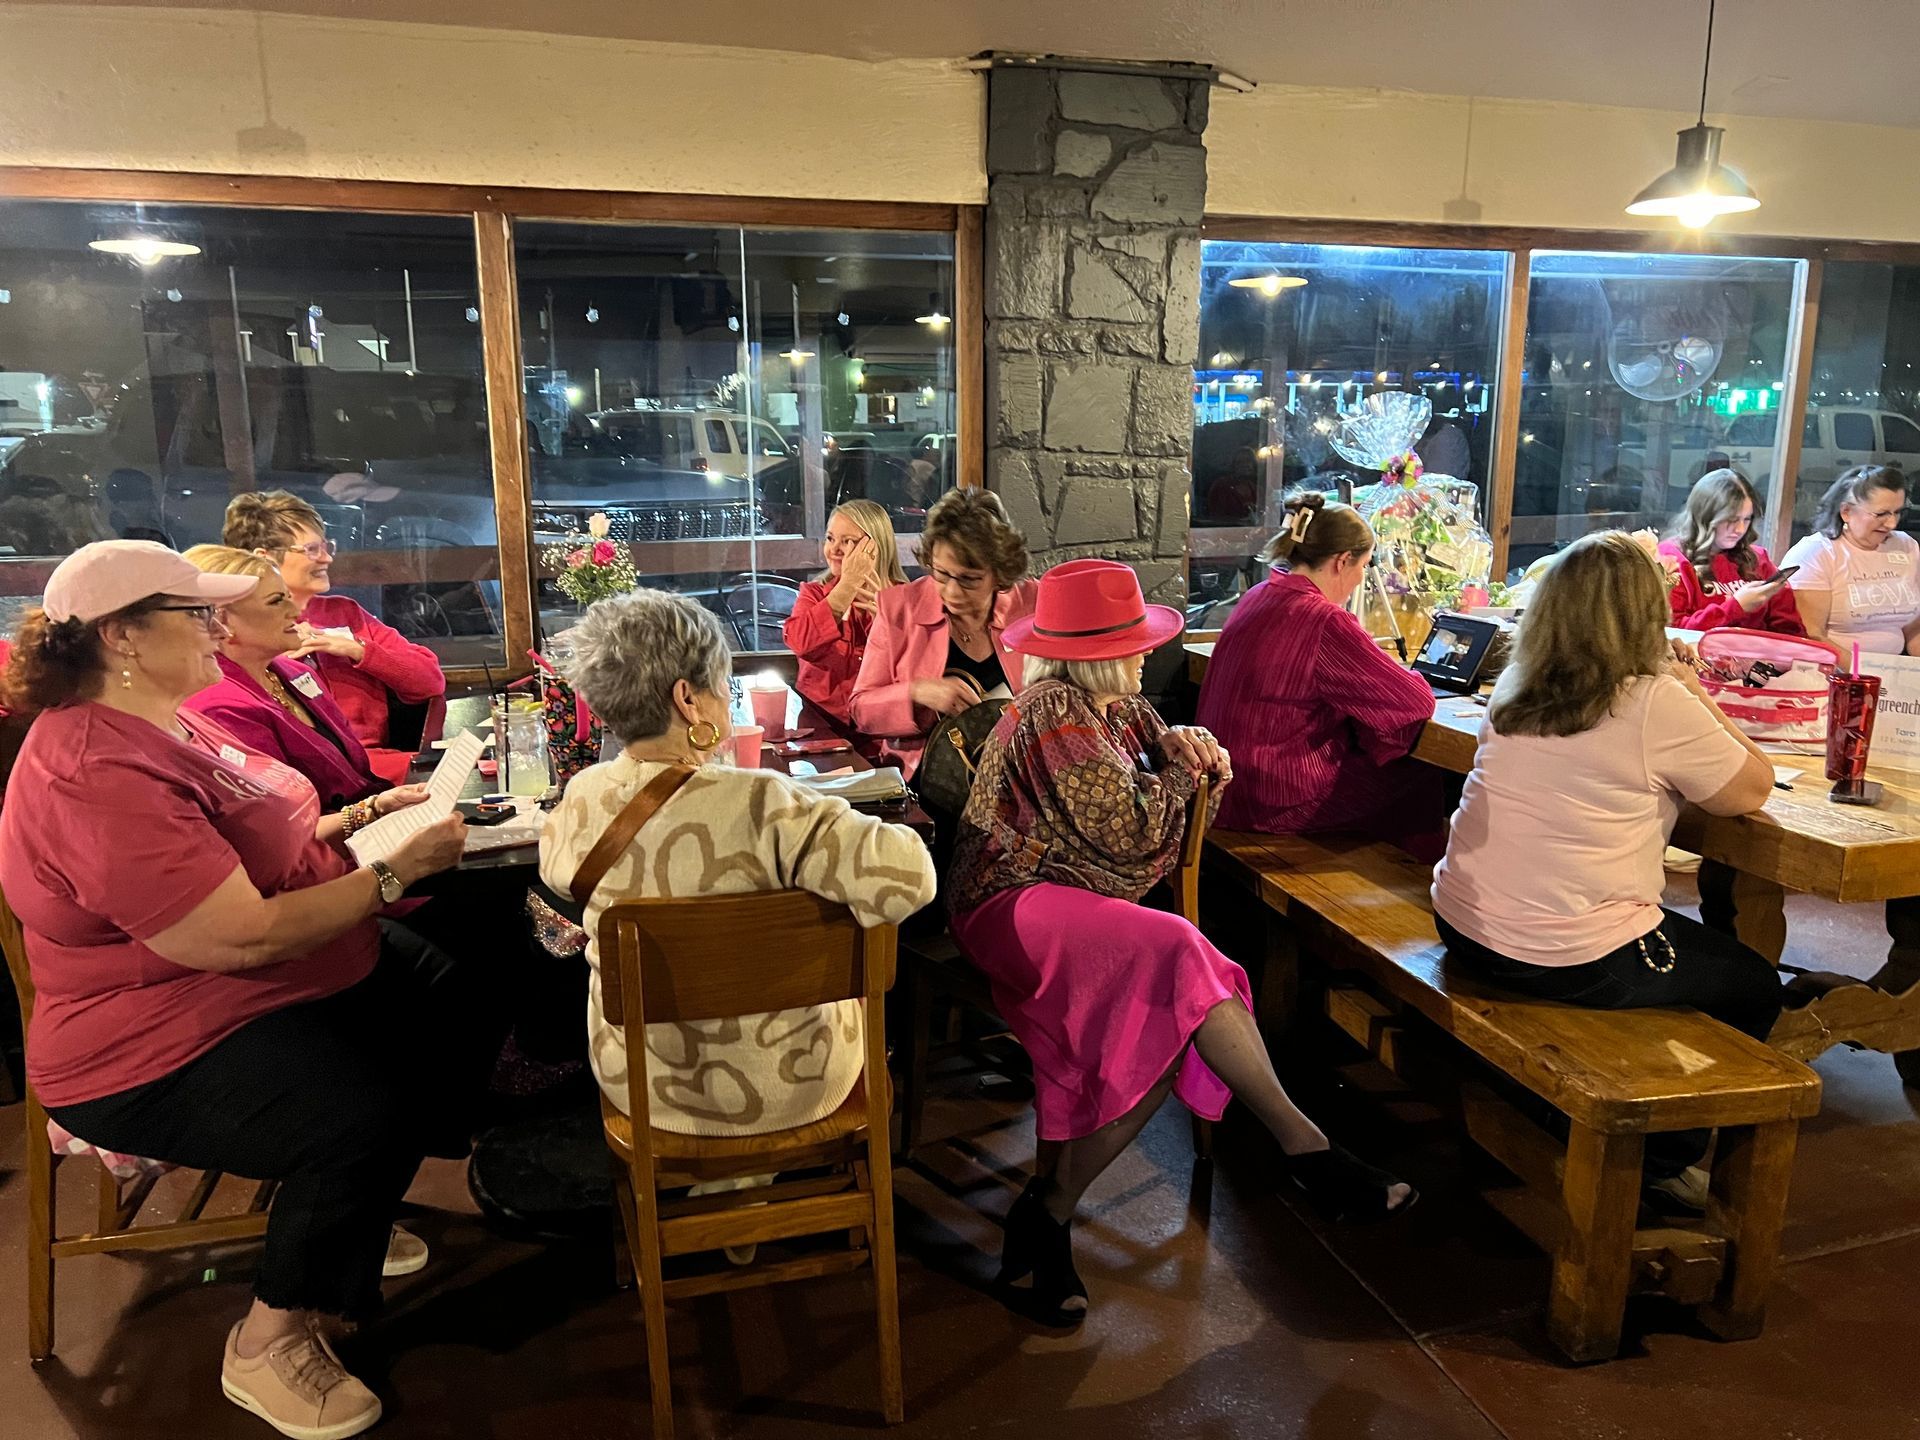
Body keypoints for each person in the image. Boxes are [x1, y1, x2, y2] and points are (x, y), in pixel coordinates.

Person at [0, 541, 491, 1440]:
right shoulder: (93, 766)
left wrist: (361, 819)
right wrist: (388, 877)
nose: (217, 627)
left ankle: (347, 1225)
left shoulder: (170, 713)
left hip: (269, 983)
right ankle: (269, 1341)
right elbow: (233, 934)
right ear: (122, 636)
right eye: (196, 614)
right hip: (151, 1040)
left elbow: (256, 834)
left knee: (443, 997)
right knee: (361, 1108)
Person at [948, 559, 1415, 1327]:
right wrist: (1183, 770)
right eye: (1131, 645)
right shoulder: (1056, 709)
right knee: (1177, 955)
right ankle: (1306, 1152)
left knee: (1175, 1017)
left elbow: (1173, 757)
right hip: (1009, 905)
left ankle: (1051, 1211)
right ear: (1094, 653)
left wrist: (1189, 745)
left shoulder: (1118, 709)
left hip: (1075, 903)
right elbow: (1131, 834)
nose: (1145, 656)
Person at [1430, 531, 1784, 1207]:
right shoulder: (1651, 701)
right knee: (1754, 983)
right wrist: (1689, 688)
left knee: (1670, 940)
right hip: (1566, 954)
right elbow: (1753, 790)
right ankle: (1665, 1157)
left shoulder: (1517, 683)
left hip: (1465, 924)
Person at [540, 588, 937, 1139]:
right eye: (722, 685)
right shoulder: (768, 804)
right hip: (795, 1085)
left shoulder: (577, 800)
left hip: (646, 1087)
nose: (726, 698)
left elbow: (556, 873)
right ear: (688, 699)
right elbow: (911, 880)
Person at [1195, 493, 1445, 859]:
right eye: (1364, 566)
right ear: (1342, 561)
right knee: (1420, 780)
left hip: (1224, 786)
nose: (1362, 579)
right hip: (1271, 796)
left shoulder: (1260, 594)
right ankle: (1401, 903)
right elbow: (1414, 702)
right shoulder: (1324, 619)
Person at [223, 491, 448, 780]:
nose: (327, 558)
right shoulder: (249, 634)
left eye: (327, 546)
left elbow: (430, 682)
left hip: (376, 763)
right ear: (265, 559)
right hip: (323, 776)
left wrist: (358, 649)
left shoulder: (345, 614)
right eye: (312, 550)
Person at [180, 546, 389, 812]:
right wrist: (373, 813)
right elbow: (282, 819)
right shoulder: (218, 707)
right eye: (277, 600)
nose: (294, 611)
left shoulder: (296, 672)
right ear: (221, 620)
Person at [851, 488, 1038, 777]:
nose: (951, 591)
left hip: (1020, 776)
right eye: (941, 574)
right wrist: (916, 692)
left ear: (1000, 572)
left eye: (969, 579)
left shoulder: (1032, 605)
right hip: (928, 782)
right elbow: (861, 710)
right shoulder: (899, 607)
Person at [782, 500, 906, 728]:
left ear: (874, 547)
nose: (834, 549)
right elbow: (799, 642)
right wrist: (847, 586)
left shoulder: (904, 598)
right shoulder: (814, 593)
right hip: (821, 726)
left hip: (883, 731)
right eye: (830, 538)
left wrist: (887, 625)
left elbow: (912, 670)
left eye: (848, 541)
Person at [1781, 464, 1920, 654]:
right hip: (1838, 674)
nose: (1892, 523)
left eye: (1898, 512)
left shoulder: (1906, 546)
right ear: (1846, 511)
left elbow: (1913, 628)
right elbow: (1811, 635)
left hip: (1892, 669)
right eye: (1881, 514)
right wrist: (1868, 675)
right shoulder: (1815, 553)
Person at [1659, 468, 1803, 634]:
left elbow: (1790, 628)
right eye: (1731, 520)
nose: (1740, 529)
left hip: (1756, 656)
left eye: (1746, 519)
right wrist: (1735, 607)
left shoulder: (1757, 559)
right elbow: (1672, 632)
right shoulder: (1672, 559)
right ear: (1706, 517)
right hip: (1696, 656)